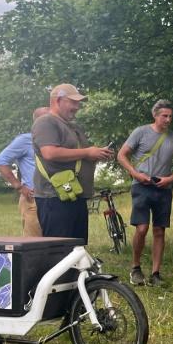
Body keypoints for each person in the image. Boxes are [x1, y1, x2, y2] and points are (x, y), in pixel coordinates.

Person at [117, 100, 173, 287]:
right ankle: (135, 268)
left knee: (159, 231)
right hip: (141, 185)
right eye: (165, 116)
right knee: (142, 228)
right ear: (155, 115)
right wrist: (135, 174)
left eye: (171, 116)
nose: (168, 119)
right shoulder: (140, 132)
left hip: (163, 187)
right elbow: (121, 155)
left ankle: (156, 273)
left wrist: (170, 179)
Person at [32, 84, 113, 243]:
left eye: (78, 103)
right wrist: (88, 152)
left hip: (74, 194)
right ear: (58, 100)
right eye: (73, 102)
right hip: (55, 197)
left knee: (77, 248)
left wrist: (97, 154)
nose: (77, 107)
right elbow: (49, 153)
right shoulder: (46, 122)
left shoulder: (72, 126)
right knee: (58, 250)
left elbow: (79, 155)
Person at [0, 106, 49, 237]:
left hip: (53, 198)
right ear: (38, 122)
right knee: (34, 241)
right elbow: (1, 161)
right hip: (33, 198)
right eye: (48, 119)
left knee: (55, 240)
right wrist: (19, 186)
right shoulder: (25, 140)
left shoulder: (54, 142)